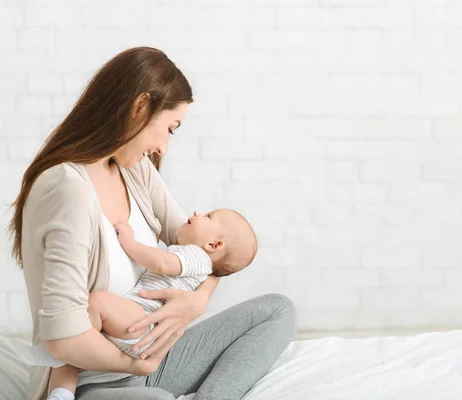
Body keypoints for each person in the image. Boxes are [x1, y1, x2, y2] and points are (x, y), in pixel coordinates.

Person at [9, 47, 297, 400]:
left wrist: (196, 303)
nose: (162, 147)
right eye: (170, 129)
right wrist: (136, 365)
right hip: (96, 376)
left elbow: (205, 251)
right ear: (140, 106)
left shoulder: (134, 170)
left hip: (152, 353)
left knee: (278, 310)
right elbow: (63, 338)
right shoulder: (68, 189)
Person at [24, 208, 259, 400]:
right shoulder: (196, 261)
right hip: (140, 328)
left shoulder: (196, 257)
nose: (197, 212)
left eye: (208, 216)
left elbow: (162, 263)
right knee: (73, 356)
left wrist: (128, 241)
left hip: (143, 319)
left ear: (213, 245)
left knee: (96, 303)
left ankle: (60, 348)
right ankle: (60, 393)